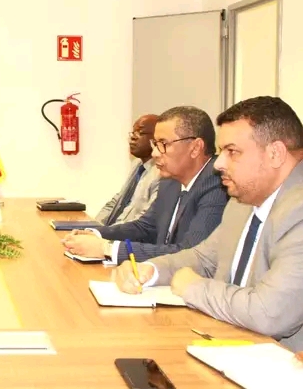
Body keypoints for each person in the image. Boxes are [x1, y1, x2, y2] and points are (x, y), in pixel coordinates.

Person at [113, 96, 303, 352]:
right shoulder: (242, 202)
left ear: (275, 154)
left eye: (232, 152)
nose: (219, 164)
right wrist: (149, 270)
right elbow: (203, 258)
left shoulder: (297, 210)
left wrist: (193, 287)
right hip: (227, 345)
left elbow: (270, 313)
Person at [64, 106, 228, 263]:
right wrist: (95, 234)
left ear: (195, 148)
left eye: (163, 144)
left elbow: (190, 254)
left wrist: (108, 249)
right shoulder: (170, 181)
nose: (155, 153)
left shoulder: (217, 185)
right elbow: (145, 228)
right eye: (155, 144)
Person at [96, 114, 161, 225]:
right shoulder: (137, 165)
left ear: (157, 139)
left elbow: (144, 220)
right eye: (133, 132)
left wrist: (106, 233)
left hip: (128, 233)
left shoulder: (161, 173)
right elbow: (117, 201)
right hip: (112, 229)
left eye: (140, 133)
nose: (133, 137)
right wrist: (94, 226)